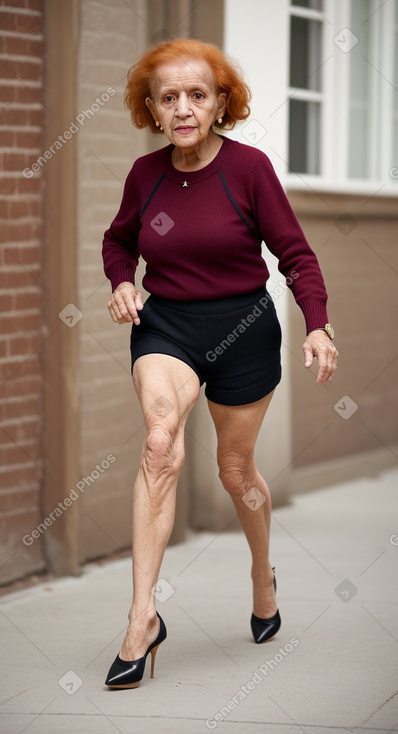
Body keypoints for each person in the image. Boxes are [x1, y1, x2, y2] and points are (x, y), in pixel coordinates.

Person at [102, 39, 338, 690]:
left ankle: (262, 575)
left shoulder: (250, 170)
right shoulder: (144, 176)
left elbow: (295, 255)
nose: (182, 107)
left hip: (241, 329)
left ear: (220, 103)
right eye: (168, 97)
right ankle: (141, 617)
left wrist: (316, 323)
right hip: (168, 327)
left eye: (197, 95)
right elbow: (119, 239)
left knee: (235, 471)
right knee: (158, 443)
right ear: (150, 108)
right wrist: (120, 281)